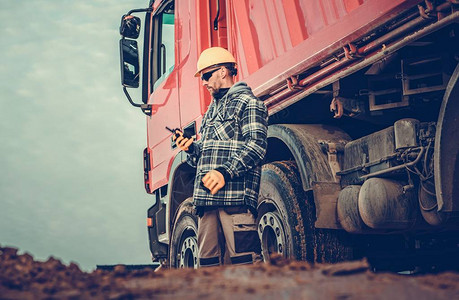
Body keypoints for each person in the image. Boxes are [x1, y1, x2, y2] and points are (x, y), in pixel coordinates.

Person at [174, 47, 268, 267]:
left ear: (224, 72)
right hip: (207, 203)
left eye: (206, 75)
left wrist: (224, 172)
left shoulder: (250, 104)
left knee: (244, 265)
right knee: (208, 266)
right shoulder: (209, 114)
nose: (204, 82)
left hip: (235, 202)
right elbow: (202, 159)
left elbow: (257, 147)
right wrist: (190, 149)